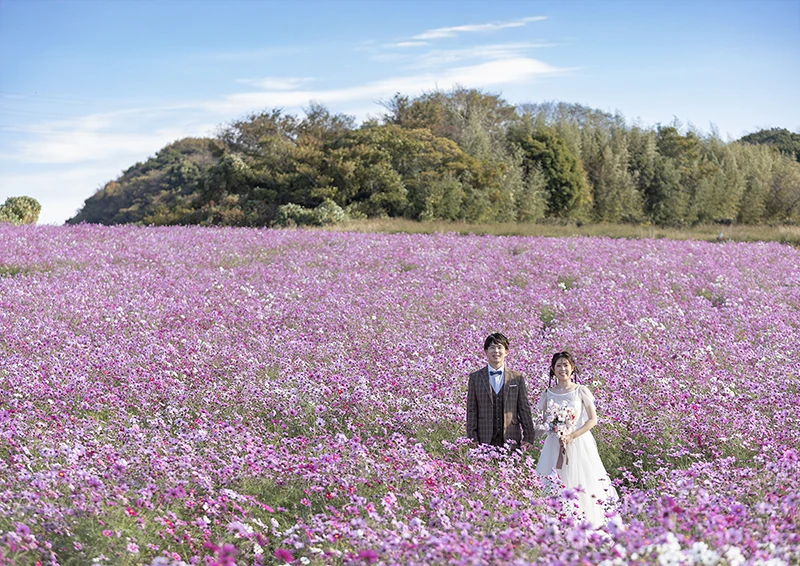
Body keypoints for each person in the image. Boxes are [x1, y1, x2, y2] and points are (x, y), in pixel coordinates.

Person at [535, 351, 618, 528]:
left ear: (572, 368)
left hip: (578, 442)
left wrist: (571, 435)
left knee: (582, 483)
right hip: (554, 444)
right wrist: (534, 433)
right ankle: (555, 522)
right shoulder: (548, 393)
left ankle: (586, 522)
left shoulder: (580, 391)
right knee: (554, 481)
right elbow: (544, 422)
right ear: (552, 369)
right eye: (558, 365)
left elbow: (592, 420)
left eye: (566, 365)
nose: (562, 369)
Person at [466, 333, 535, 451]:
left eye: (499, 347)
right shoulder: (475, 377)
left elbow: (524, 408)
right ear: (486, 352)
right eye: (492, 347)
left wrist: (529, 436)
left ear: (506, 351)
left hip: (511, 437)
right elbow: (472, 409)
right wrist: (472, 436)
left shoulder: (517, 378)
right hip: (484, 437)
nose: (496, 351)